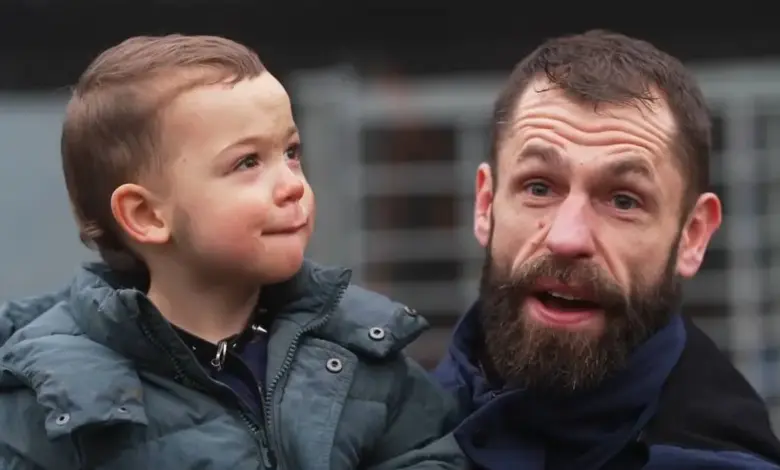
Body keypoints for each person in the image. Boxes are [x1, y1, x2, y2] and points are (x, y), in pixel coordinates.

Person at [0, 35, 465, 470]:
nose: (292, 185)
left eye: (291, 152)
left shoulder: (361, 353)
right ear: (146, 215)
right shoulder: (58, 398)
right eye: (247, 162)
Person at [433, 29, 780, 470]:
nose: (567, 238)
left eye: (623, 200)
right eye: (538, 187)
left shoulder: (716, 458)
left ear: (692, 236)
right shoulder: (384, 426)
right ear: (485, 205)